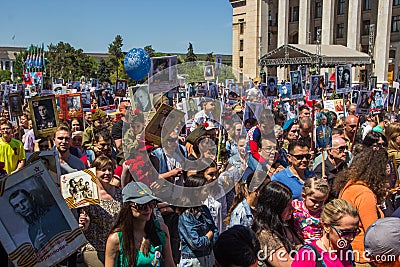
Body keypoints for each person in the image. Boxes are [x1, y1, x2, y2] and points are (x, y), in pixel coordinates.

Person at [336, 147, 387, 266]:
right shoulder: (364, 194)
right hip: (363, 256)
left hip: (350, 252)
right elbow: (373, 232)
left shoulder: (350, 186)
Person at [104, 182, 175, 267]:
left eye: (151, 204)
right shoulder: (116, 239)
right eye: (141, 206)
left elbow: (170, 264)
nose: (148, 209)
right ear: (128, 207)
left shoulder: (161, 230)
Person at [79, 155, 123, 266]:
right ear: (94, 172)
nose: (107, 173)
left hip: (116, 247)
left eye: (110, 169)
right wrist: (84, 222)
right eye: (103, 170)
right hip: (94, 247)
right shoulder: (88, 195)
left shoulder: (119, 193)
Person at [292, 199, 360, 267]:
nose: (351, 238)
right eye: (345, 232)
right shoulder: (307, 255)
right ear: (326, 227)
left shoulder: (347, 250)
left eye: (354, 232)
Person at [253, 181, 303, 266]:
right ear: (275, 207)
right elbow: (287, 265)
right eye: (287, 205)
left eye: (291, 203)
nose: (292, 208)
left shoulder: (286, 226)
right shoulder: (265, 236)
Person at [178, 174, 219, 267]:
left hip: (208, 258)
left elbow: (216, 232)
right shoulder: (186, 215)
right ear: (196, 192)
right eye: (205, 190)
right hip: (193, 261)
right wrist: (210, 233)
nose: (208, 193)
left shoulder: (205, 210)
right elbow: (196, 243)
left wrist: (212, 233)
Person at [292, 178, 330, 243]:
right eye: (313, 201)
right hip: (297, 242)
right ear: (304, 196)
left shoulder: (324, 213)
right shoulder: (295, 206)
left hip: (316, 245)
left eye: (321, 201)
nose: (317, 204)